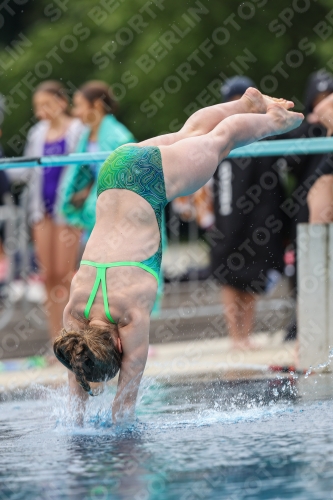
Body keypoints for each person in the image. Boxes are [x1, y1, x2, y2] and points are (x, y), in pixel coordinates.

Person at [53, 88, 303, 422]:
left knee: (221, 140)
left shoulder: (129, 313)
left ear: (120, 345)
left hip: (148, 184)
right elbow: (77, 364)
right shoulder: (75, 313)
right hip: (115, 170)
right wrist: (79, 418)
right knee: (191, 134)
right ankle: (247, 104)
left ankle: (272, 120)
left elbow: (125, 404)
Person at [208, 77, 287, 349]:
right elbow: (225, 188)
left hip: (259, 219)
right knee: (229, 275)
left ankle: (246, 335)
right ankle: (235, 336)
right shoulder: (226, 134)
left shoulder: (265, 129)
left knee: (253, 274)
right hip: (230, 220)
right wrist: (226, 228)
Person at [9, 81, 85, 344]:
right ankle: (58, 340)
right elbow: (28, 170)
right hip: (42, 213)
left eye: (47, 105)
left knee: (65, 276)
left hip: (67, 212)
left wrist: (82, 195)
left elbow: (85, 168)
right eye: (38, 107)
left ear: (62, 102)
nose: (42, 111)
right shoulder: (37, 133)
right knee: (48, 277)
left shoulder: (77, 129)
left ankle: (74, 335)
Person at [59, 81, 135, 231]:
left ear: (97, 105)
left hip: (118, 209)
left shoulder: (119, 137)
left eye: (80, 105)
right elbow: (93, 172)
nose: (75, 112)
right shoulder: (86, 136)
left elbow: (123, 176)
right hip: (96, 206)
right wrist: (84, 191)